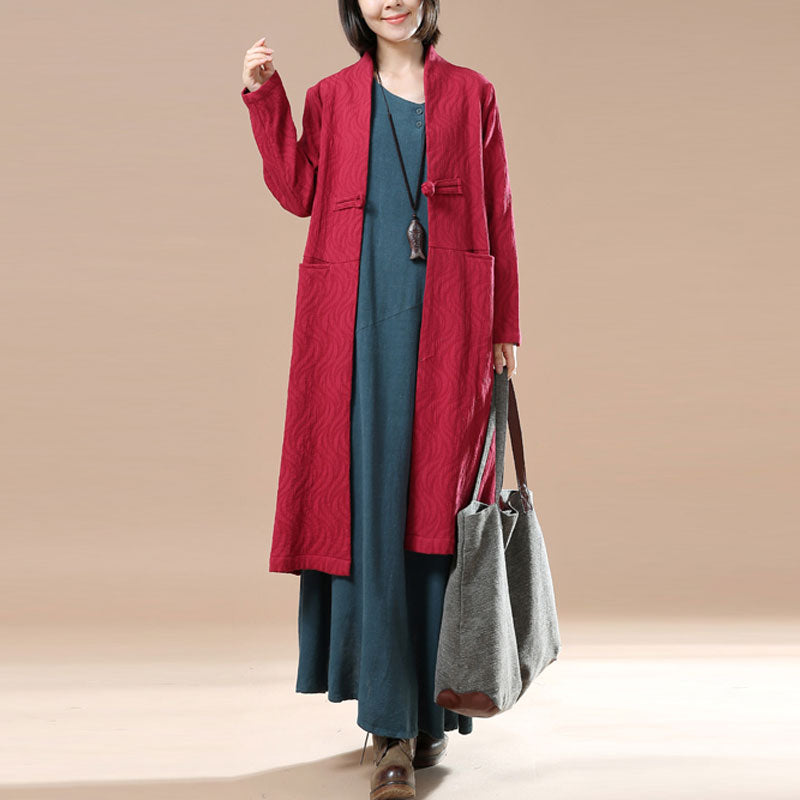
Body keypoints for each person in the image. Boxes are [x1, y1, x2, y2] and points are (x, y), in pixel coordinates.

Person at [241, 2, 519, 797]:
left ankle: (431, 710)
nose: (389, 0)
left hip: (452, 325)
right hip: (356, 326)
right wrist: (265, 97)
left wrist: (505, 326)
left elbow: (498, 209)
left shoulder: (473, 93)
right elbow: (298, 190)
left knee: (438, 514)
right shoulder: (331, 96)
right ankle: (389, 728)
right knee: (370, 508)